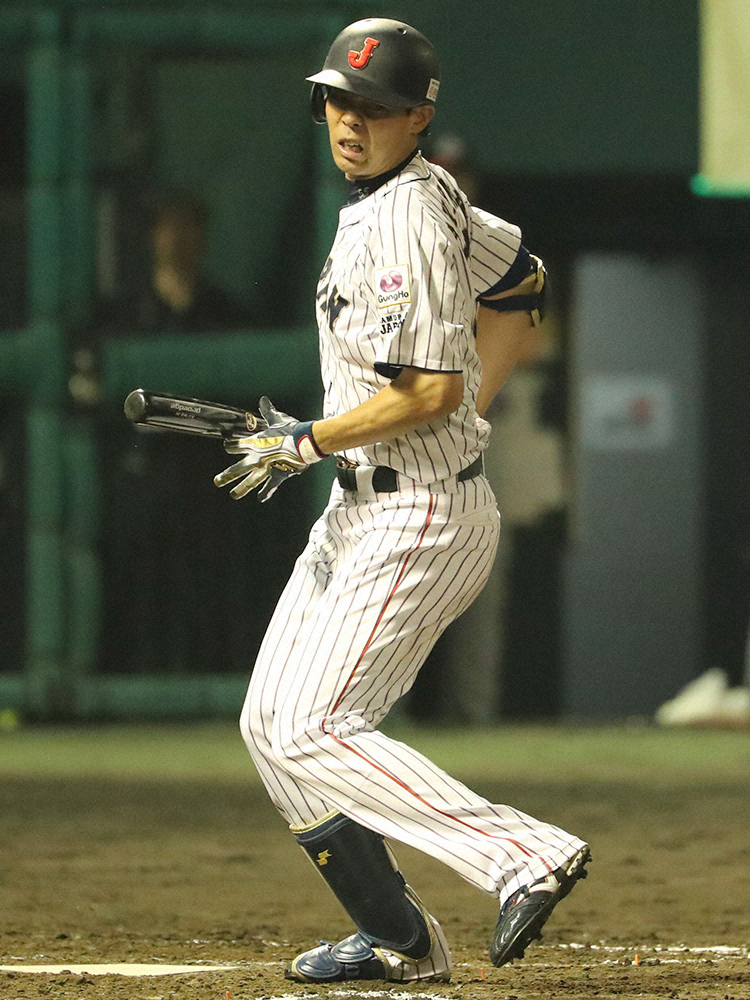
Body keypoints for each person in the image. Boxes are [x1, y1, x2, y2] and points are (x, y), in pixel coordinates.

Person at [213, 18, 590, 985]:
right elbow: (522, 282)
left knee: (311, 728)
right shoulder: (418, 200)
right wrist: (469, 406)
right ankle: (400, 940)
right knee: (271, 729)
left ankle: (524, 855)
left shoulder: (411, 214)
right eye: (338, 99)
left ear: (417, 117)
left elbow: (423, 391)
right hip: (366, 506)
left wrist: (310, 437)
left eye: (375, 107)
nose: (351, 119)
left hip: (417, 513)